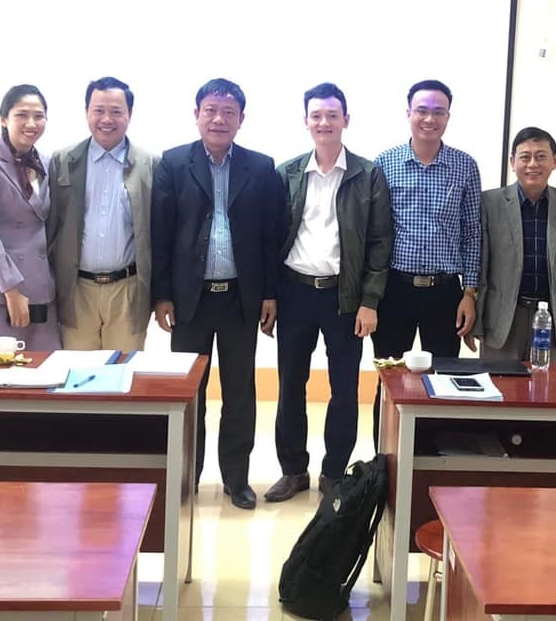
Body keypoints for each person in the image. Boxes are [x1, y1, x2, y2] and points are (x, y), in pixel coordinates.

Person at [151, 78, 284, 511]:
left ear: (241, 119)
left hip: (240, 298)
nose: (218, 119)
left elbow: (271, 237)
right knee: (189, 392)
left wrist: (269, 293)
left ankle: (236, 478)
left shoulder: (260, 167)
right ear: (197, 115)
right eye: (210, 110)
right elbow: (161, 234)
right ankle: (186, 474)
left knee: (239, 392)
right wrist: (162, 295)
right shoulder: (173, 163)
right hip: (189, 299)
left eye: (228, 112)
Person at [265, 83, 392, 503]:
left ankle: (334, 473)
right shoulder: (286, 173)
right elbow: (271, 238)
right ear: (306, 121)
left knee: (344, 389)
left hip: (345, 297)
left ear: (346, 120)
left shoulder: (367, 175)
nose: (324, 122)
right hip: (295, 291)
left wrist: (369, 302)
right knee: (291, 385)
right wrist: (269, 295)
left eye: (332, 115)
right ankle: (293, 471)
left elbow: (379, 243)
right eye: (316, 115)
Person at [370, 79, 480, 443]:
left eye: (438, 112)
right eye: (422, 110)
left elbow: (472, 233)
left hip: (445, 293)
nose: (429, 119)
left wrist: (470, 293)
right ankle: (384, 456)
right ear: (408, 114)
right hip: (394, 290)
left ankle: (435, 455)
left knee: (445, 379)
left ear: (448, 116)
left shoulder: (465, 166)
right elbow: (374, 233)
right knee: (389, 378)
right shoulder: (385, 163)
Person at [47, 77, 156, 351]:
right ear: (86, 112)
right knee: (77, 373)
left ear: (129, 115)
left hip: (127, 290)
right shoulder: (63, 161)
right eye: (98, 110)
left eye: (116, 111)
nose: (107, 119)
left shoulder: (151, 165)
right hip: (76, 290)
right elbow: (50, 228)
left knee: (123, 372)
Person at [474, 126, 556, 362]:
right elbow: (481, 267)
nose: (533, 164)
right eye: (525, 157)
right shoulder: (489, 202)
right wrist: (476, 321)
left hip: (550, 316)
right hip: (502, 318)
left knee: (548, 382)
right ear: (512, 162)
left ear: (555, 161)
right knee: (499, 383)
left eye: (541, 156)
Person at [0, 84, 61, 350]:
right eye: (22, 115)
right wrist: (11, 290)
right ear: (4, 119)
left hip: (41, 291)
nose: (31, 123)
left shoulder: (47, 163)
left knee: (47, 370)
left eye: (38, 116)